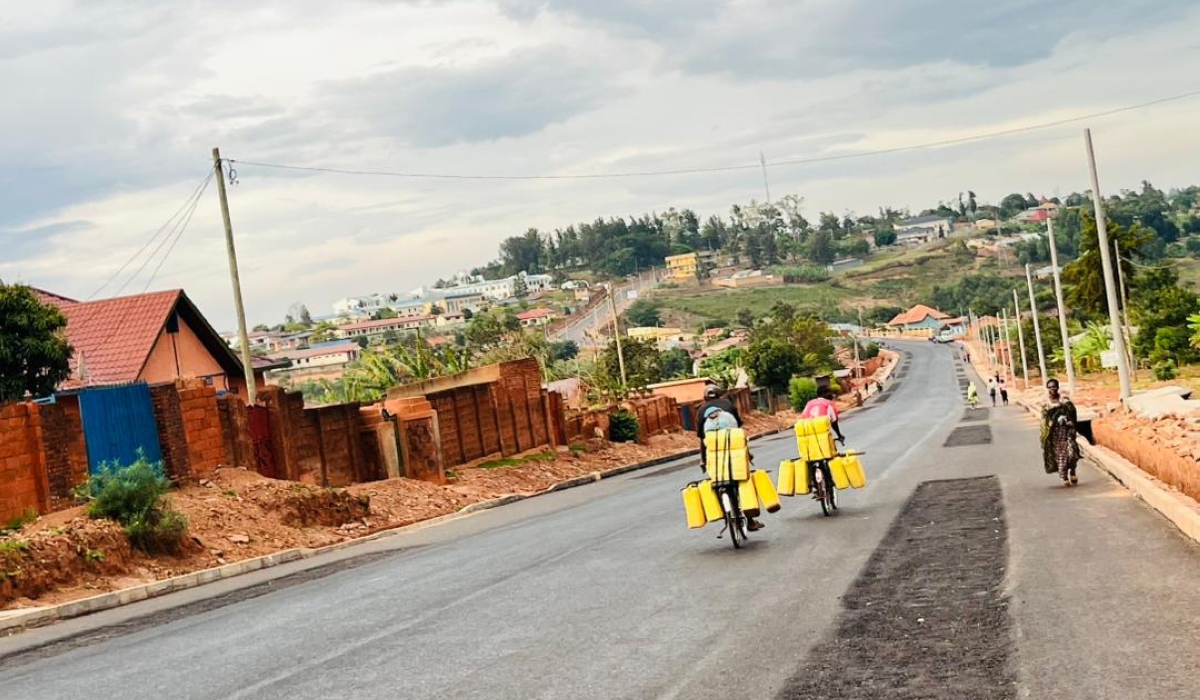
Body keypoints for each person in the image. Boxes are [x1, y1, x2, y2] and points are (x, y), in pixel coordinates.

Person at [701, 405, 763, 531]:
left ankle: (724, 513)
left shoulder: (703, 414)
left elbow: (702, 441)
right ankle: (750, 521)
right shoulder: (728, 408)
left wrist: (703, 461)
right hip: (736, 466)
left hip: (717, 468)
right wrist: (749, 455)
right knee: (743, 485)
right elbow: (741, 438)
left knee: (717, 484)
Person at [1041, 378, 1080, 486]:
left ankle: (1073, 471)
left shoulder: (1064, 399)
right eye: (1049, 387)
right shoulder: (1045, 403)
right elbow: (1044, 419)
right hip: (1054, 433)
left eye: (1054, 386)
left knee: (1072, 452)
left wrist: (1070, 421)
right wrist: (1051, 423)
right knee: (1061, 455)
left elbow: (1072, 412)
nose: (1052, 389)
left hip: (1067, 430)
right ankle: (1065, 477)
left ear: (1058, 387)